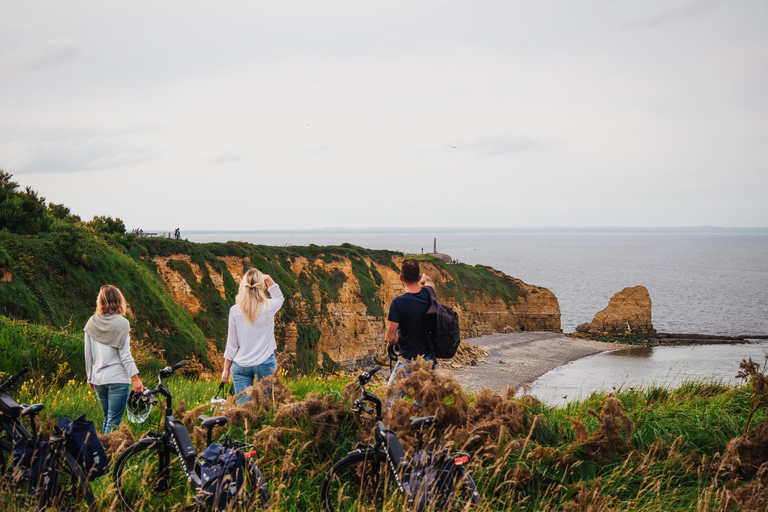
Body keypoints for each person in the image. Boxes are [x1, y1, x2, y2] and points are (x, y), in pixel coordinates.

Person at [84, 285, 145, 433]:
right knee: (113, 422)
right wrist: (135, 378)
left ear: (101, 301)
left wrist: (89, 377)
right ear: (119, 301)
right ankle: (109, 455)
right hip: (117, 378)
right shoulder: (122, 323)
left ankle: (102, 453)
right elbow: (125, 355)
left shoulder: (91, 322)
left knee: (107, 419)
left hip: (99, 379)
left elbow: (88, 354)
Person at [221, 269, 284, 403]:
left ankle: (245, 424)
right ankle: (264, 424)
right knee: (267, 406)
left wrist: (226, 370)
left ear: (243, 286)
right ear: (260, 286)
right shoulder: (269, 307)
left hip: (240, 366)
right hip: (265, 364)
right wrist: (267, 278)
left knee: (244, 411)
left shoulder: (235, 310)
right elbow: (279, 297)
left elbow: (232, 343)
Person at [385, 259, 435, 387]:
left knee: (390, 401)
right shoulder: (429, 293)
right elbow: (428, 281)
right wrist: (423, 279)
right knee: (424, 401)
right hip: (428, 360)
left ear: (400, 277)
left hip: (407, 360)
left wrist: (400, 340)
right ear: (418, 278)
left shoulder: (398, 303)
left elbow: (390, 337)